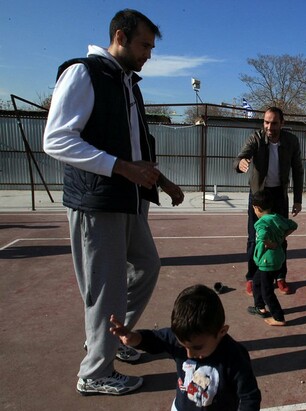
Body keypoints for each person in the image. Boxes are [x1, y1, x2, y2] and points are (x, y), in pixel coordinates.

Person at [43, 9, 184, 395]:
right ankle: (94, 372)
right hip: (98, 202)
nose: (149, 55)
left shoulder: (126, 84)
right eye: (144, 45)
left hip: (128, 199)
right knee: (105, 288)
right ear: (120, 36)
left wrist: (165, 183)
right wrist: (121, 168)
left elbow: (137, 147)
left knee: (147, 266)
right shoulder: (83, 73)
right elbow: (55, 139)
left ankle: (110, 339)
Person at [110, 284, 262, 410]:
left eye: (197, 347)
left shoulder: (234, 355)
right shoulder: (184, 337)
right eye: (184, 346)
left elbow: (249, 396)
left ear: (221, 331)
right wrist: (134, 338)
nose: (188, 354)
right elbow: (155, 339)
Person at [233, 107, 303, 295]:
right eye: (266, 122)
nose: (269, 126)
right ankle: (252, 277)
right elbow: (240, 157)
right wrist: (240, 164)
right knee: (254, 237)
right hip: (259, 196)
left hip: (279, 195)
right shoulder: (255, 138)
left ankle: (280, 276)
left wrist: (298, 199)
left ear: (282, 123)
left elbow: (297, 170)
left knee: (280, 237)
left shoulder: (291, 141)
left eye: (273, 123)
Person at [246, 190, 298, 326]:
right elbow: (293, 225)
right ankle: (260, 307)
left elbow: (262, 237)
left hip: (267, 262)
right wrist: (281, 238)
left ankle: (279, 317)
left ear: (257, 209)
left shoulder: (261, 223)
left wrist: (270, 244)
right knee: (257, 281)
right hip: (276, 259)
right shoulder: (277, 218)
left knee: (267, 291)